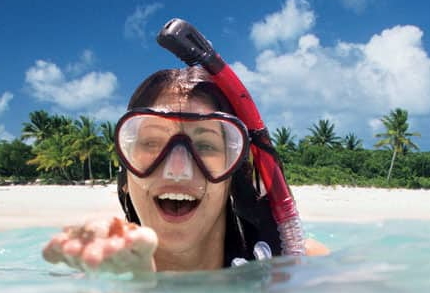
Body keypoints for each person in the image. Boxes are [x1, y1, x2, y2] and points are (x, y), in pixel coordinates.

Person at [43, 67, 328, 273]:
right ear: (126, 177)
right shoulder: (94, 289)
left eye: (205, 147)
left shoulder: (300, 265)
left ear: (232, 175)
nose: (177, 171)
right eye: (152, 143)